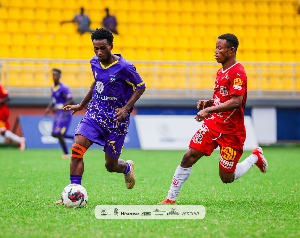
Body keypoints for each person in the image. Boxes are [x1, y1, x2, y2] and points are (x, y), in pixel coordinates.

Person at [158, 33, 268, 204]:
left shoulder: (237, 72)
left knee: (226, 178)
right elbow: (223, 98)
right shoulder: (220, 71)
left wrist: (208, 109)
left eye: (219, 48)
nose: (216, 51)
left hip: (232, 131)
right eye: (215, 48)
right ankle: (170, 199)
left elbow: (236, 101)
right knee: (189, 157)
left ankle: (255, 157)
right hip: (213, 124)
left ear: (231, 50)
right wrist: (208, 103)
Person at [55, 28, 145, 204]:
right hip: (94, 115)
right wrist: (82, 104)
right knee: (77, 149)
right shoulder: (94, 62)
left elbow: (141, 86)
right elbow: (96, 82)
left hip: (115, 121)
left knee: (110, 166)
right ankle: (73, 192)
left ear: (111, 46)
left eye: (103, 48)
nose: (99, 52)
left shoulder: (125, 67)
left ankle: (126, 167)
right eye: (96, 48)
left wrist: (126, 108)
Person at [45, 69, 75, 159]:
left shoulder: (64, 87)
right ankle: (76, 139)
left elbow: (71, 100)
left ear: (60, 76)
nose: (54, 77)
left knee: (58, 133)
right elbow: (54, 101)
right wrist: (48, 108)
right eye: (53, 75)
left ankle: (66, 154)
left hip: (65, 113)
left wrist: (60, 106)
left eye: (56, 75)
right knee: (54, 134)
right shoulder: (52, 87)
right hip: (58, 114)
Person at [0, 83, 25, 151]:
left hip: (2, 111)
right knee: (3, 132)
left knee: (2, 131)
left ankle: (20, 140)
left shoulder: (1, 87)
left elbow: (8, 97)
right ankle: (20, 140)